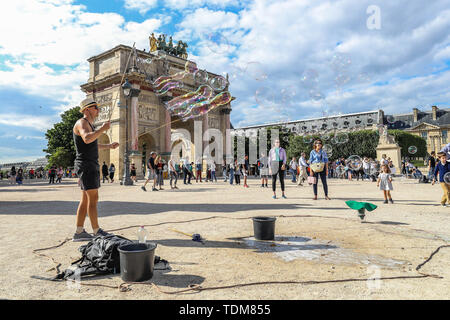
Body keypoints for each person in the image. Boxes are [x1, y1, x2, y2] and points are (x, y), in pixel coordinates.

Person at [72, 98, 119, 241]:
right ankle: (96, 231)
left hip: (87, 164)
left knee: (85, 199)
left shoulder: (89, 124)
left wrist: (109, 146)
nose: (98, 109)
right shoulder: (82, 123)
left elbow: (92, 144)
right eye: (95, 107)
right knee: (93, 198)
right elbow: (87, 138)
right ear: (87, 110)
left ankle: (79, 232)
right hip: (87, 164)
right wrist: (103, 129)